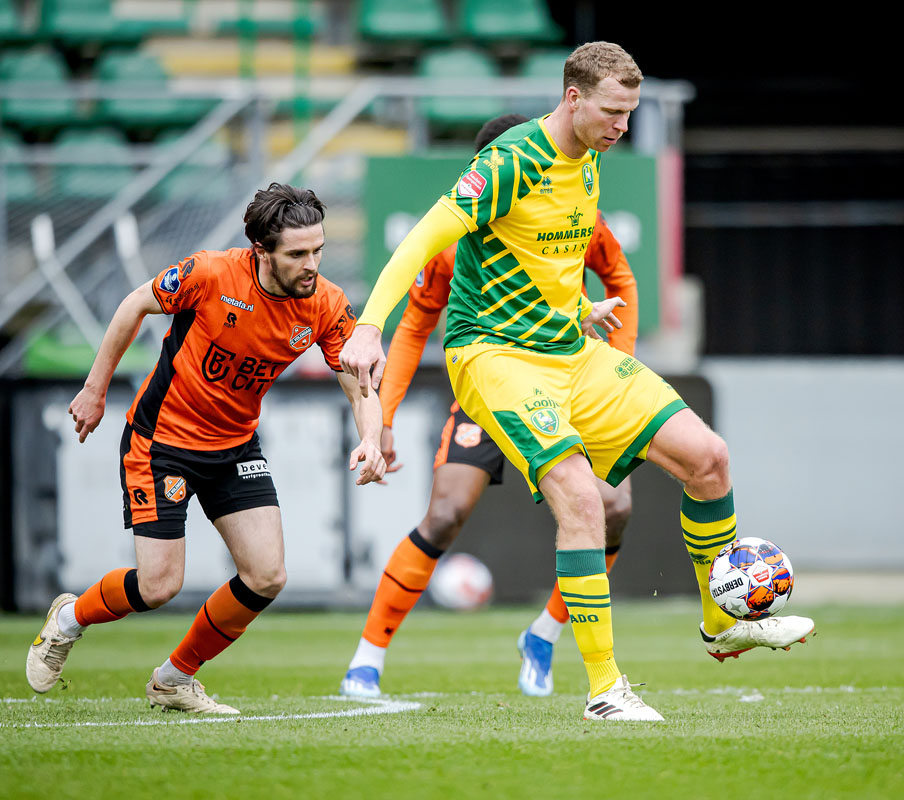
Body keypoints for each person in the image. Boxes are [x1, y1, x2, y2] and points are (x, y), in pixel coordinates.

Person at [339, 41, 815, 722]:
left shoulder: (589, 159)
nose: (623, 126)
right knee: (581, 502)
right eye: (614, 112)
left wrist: (579, 309)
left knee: (708, 457)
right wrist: (367, 328)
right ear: (573, 98)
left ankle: (722, 623)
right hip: (496, 359)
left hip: (569, 350)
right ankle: (603, 688)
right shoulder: (510, 161)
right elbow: (419, 239)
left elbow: (549, 260)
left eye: (631, 113)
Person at [26, 183, 387, 714]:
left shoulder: (325, 304)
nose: (312, 265)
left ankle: (174, 679)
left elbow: (359, 385)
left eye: (318, 251)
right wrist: (95, 388)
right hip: (162, 442)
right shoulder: (211, 273)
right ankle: (68, 620)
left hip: (236, 446)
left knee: (267, 575)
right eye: (297, 254)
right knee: (158, 587)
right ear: (260, 250)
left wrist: (372, 439)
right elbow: (133, 306)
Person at [340, 115, 639, 700]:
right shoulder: (455, 239)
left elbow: (620, 275)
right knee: (446, 513)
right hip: (491, 390)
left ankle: (545, 634)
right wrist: (388, 418)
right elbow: (413, 328)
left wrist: (619, 370)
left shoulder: (574, 212)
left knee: (615, 507)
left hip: (565, 381)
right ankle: (367, 657)